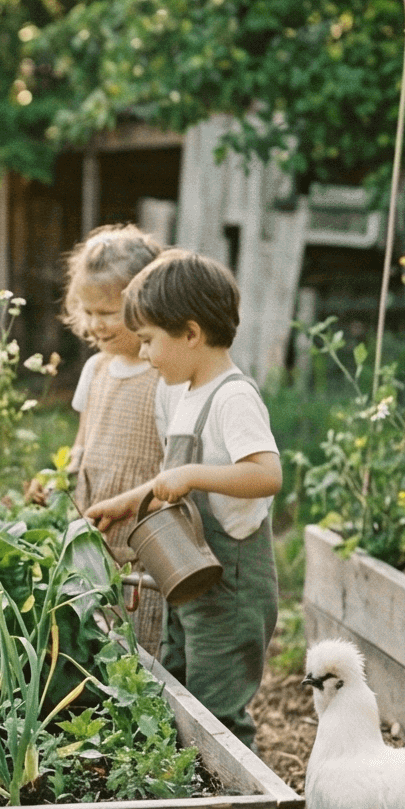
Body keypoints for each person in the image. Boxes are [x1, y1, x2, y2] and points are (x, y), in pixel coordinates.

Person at [83, 250, 283, 747]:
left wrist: (195, 474)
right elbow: (171, 478)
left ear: (191, 333)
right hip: (188, 579)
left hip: (231, 588)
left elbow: (267, 474)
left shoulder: (232, 396)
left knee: (219, 709)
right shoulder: (182, 392)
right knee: (178, 689)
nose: (145, 354)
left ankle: (242, 807)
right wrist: (129, 501)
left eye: (150, 340)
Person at [53, 225, 171, 654]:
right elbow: (81, 446)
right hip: (94, 522)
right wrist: (56, 483)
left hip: (143, 528)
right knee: (95, 623)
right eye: (87, 312)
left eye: (107, 313)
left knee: (142, 630)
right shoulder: (96, 370)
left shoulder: (164, 375)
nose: (94, 325)